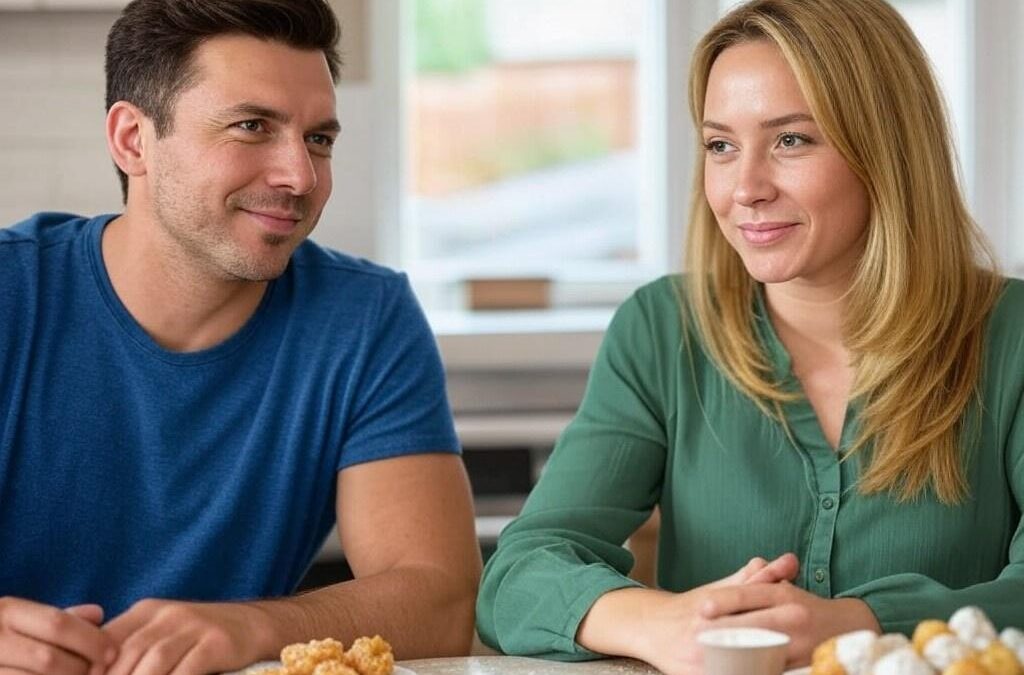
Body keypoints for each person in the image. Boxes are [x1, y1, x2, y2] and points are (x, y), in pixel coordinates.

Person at [476, 0, 1024, 672]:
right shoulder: (663, 329)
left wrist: (860, 621)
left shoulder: (1012, 336)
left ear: (886, 147)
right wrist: (662, 621)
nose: (745, 188)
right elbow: (517, 575)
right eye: (721, 146)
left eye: (791, 140)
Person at [0, 1, 482, 673]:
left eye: (318, 138)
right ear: (133, 140)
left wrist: (251, 626)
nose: (301, 177)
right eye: (252, 126)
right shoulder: (12, 295)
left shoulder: (365, 318)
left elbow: (441, 602)